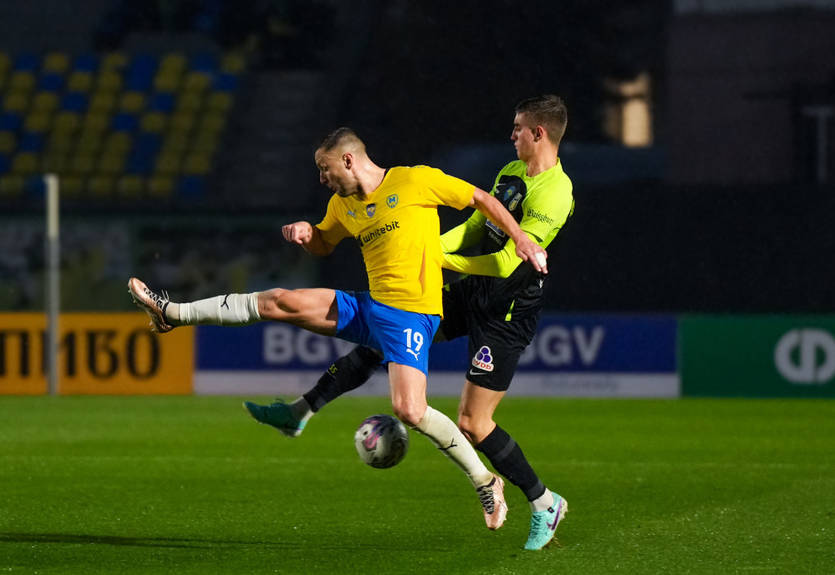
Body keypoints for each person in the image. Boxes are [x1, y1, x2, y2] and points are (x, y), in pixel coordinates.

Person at [128, 126, 549, 531]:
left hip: (412, 315)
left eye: (325, 169)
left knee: (409, 410)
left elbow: (479, 199)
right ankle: (173, 313)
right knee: (281, 301)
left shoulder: (415, 181)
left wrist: (522, 240)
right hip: (369, 307)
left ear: (348, 160)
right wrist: (308, 234)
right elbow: (324, 242)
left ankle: (485, 481)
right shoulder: (342, 207)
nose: (323, 178)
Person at [244, 95, 574, 550]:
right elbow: (478, 225)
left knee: (474, 423)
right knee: (387, 336)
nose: (511, 134)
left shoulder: (556, 193)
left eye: (518, 127)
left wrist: (435, 257)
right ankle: (299, 411)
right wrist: (431, 248)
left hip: (508, 308)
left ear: (539, 133)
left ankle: (544, 503)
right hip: (471, 291)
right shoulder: (510, 174)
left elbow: (506, 263)